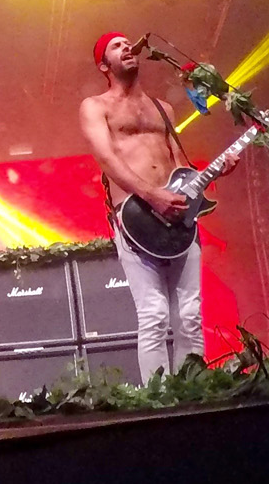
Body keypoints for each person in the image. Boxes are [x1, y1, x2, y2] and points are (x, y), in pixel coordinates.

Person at [79, 33, 238, 379]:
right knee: (154, 313)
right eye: (116, 46)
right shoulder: (95, 106)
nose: (127, 47)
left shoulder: (163, 109)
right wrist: (153, 196)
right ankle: (161, 398)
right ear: (104, 65)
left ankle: (191, 388)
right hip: (136, 216)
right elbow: (106, 159)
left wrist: (214, 172)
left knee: (190, 314)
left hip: (178, 217)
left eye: (127, 43)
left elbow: (180, 166)